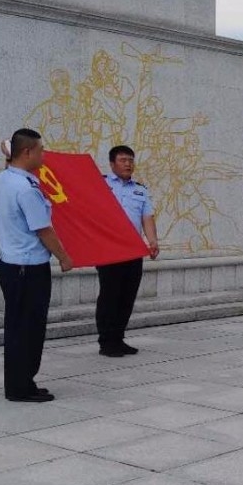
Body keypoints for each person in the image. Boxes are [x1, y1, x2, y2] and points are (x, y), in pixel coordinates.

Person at [0, 128, 73, 402]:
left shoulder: (6, 178)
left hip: (12, 267)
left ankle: (20, 382)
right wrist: (64, 257)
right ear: (27, 153)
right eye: (40, 150)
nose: (44, 154)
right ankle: (20, 387)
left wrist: (10, 149)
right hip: (28, 270)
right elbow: (44, 230)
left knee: (17, 327)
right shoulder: (26, 189)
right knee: (28, 329)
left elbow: (9, 152)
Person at [96, 145, 159, 357]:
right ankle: (106, 341)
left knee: (127, 296)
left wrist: (152, 241)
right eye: (123, 160)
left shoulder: (140, 190)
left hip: (133, 251)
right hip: (108, 250)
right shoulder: (100, 185)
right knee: (109, 295)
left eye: (130, 160)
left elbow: (147, 217)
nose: (128, 164)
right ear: (112, 163)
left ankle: (118, 337)